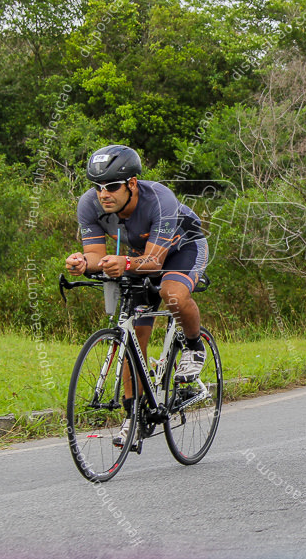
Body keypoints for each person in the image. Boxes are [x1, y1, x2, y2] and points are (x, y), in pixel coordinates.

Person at [65, 145, 209, 448]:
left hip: (182, 248)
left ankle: (194, 346)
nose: (104, 194)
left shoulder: (159, 198)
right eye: (98, 186)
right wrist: (82, 262)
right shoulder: (89, 205)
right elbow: (95, 254)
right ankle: (133, 415)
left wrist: (127, 264)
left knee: (171, 291)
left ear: (131, 184)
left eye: (112, 186)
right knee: (134, 337)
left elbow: (156, 262)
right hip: (140, 256)